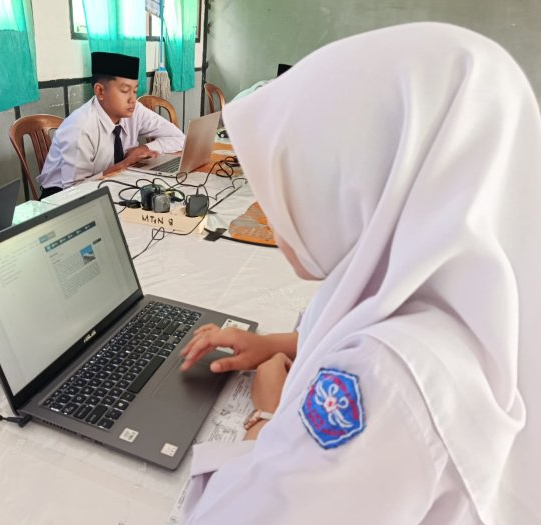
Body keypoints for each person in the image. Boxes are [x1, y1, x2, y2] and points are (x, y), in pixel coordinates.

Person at [179, 23, 540, 524]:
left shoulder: (384, 380)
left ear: (349, 180)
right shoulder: (468, 291)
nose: (268, 211)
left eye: (284, 179)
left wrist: (265, 418)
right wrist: (273, 345)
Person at [38, 52, 185, 198]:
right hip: (60, 199)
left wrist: (145, 148)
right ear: (100, 91)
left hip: (112, 184)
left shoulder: (136, 110)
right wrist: (124, 164)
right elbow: (74, 191)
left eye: (135, 91)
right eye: (125, 91)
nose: (132, 99)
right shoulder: (80, 127)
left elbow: (179, 138)